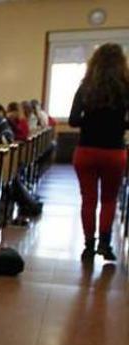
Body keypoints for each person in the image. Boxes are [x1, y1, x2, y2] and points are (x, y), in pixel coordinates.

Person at [68, 43, 129, 261]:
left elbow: (74, 120)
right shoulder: (126, 87)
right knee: (110, 200)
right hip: (114, 152)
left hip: (86, 150)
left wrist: (92, 121)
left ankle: (88, 245)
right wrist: (116, 124)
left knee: (88, 199)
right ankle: (105, 243)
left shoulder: (85, 87)